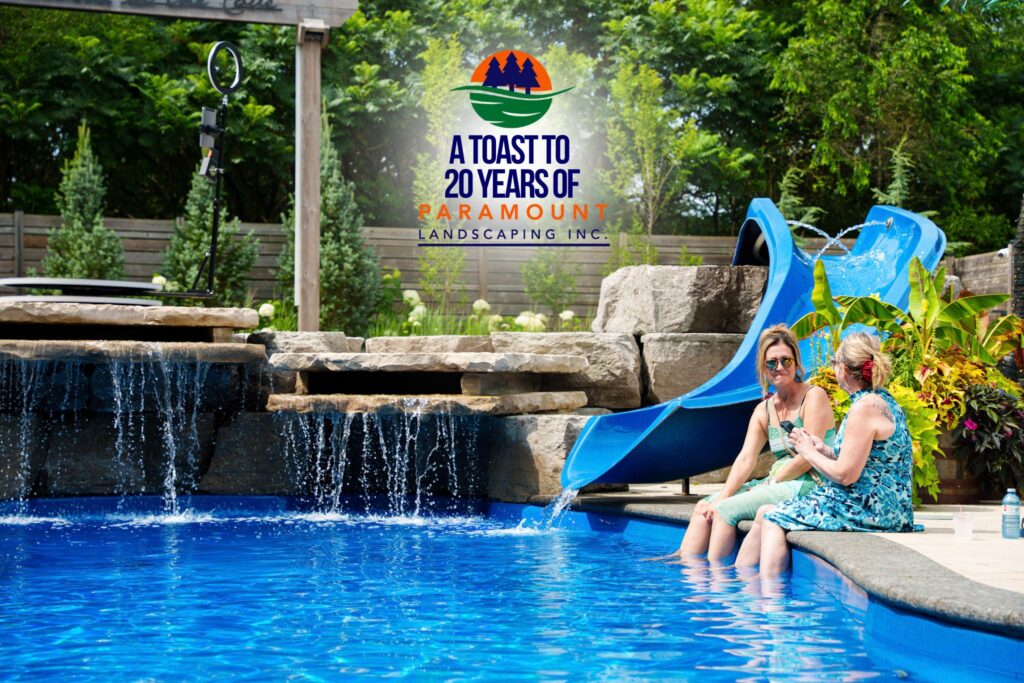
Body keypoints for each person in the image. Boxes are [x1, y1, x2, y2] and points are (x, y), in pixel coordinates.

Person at [736, 332, 914, 575]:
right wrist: (825, 450)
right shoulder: (880, 400)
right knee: (764, 511)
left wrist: (808, 452)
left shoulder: (864, 407)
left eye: (833, 363)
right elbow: (865, 462)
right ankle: (740, 585)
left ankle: (770, 601)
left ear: (843, 368)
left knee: (771, 518)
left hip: (872, 510)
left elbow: (845, 476)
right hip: (886, 507)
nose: (833, 369)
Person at [669, 324, 834, 562]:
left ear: (796, 363)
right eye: (771, 363)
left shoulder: (813, 396)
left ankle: (719, 581)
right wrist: (724, 494)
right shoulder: (764, 409)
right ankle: (685, 567)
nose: (779, 367)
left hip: (809, 483)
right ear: (764, 369)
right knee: (705, 507)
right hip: (779, 482)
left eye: (785, 361)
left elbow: (807, 458)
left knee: (724, 511)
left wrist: (771, 482)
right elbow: (746, 458)